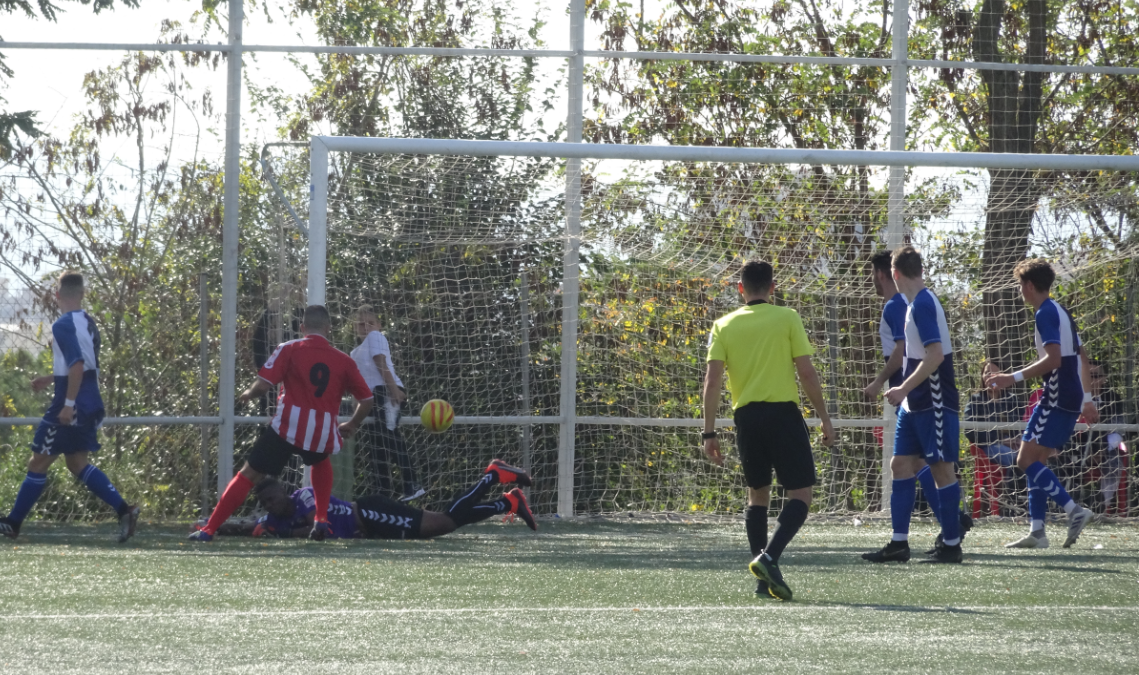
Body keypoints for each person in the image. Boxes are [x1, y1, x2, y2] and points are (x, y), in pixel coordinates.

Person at [703, 260, 835, 601]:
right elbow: (806, 373)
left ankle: (763, 580)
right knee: (801, 494)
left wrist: (709, 432)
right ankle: (769, 557)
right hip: (783, 416)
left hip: (746, 418)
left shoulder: (723, 325)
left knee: (757, 495)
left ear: (740, 289)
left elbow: (713, 381)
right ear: (773, 288)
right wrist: (824, 416)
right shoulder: (787, 317)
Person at [190, 305, 374, 542]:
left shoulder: (289, 349)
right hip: (320, 431)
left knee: (248, 475)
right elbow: (367, 400)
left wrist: (248, 393)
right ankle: (320, 521)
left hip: (287, 427)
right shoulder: (344, 360)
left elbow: (264, 384)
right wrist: (353, 423)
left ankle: (209, 529)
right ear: (328, 329)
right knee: (320, 461)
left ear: (302, 327)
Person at [0, 272, 140, 542]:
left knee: (38, 461)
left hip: (71, 402)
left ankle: (13, 523)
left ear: (56, 295)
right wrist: (50, 377)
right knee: (76, 462)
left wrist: (67, 404)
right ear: (83, 294)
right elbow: (85, 365)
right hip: (90, 400)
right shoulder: (88, 322)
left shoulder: (63, 324)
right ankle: (125, 510)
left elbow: (77, 365)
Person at [863, 246, 966, 564]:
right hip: (913, 402)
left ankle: (951, 544)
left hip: (932, 400)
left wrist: (901, 387)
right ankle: (898, 543)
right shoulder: (910, 304)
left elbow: (935, 356)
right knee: (900, 465)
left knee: (941, 470)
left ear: (894, 274)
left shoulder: (922, 303)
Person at [986, 259, 1099, 549]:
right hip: (1068, 395)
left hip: (1057, 394)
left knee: (1024, 460)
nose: (1019, 290)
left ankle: (1074, 511)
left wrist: (1012, 377)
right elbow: (1082, 358)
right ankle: (1038, 531)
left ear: (1029, 285)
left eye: (1020, 285)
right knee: (1038, 460)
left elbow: (1054, 359)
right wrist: (1087, 399)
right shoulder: (1061, 311)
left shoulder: (1044, 313)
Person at [244, 459, 536, 539]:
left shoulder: (305, 495)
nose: (270, 506)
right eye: (266, 504)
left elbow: (317, 530)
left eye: (271, 498)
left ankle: (493, 475)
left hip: (372, 514)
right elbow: (250, 527)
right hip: (372, 526)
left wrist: (278, 533)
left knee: (445, 522)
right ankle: (508, 503)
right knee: (446, 523)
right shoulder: (276, 517)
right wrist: (213, 525)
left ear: (283, 490)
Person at [351, 305, 424, 501]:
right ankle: (382, 493)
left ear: (379, 325)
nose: (365, 327)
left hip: (386, 392)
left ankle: (411, 483)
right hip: (370, 400)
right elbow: (357, 382)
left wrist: (394, 391)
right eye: (360, 324)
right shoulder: (354, 352)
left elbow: (381, 363)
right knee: (376, 447)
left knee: (389, 436)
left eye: (370, 323)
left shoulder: (376, 337)